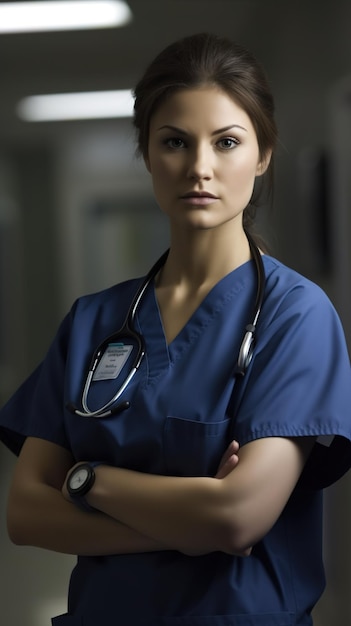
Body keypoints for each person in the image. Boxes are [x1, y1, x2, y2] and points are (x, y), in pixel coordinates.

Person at [0, 32, 351, 626]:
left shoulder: (297, 315)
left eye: (227, 142)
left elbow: (238, 517)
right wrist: (193, 524)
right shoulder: (93, 321)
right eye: (174, 142)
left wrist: (86, 480)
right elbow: (26, 514)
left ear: (263, 154)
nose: (199, 168)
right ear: (147, 154)